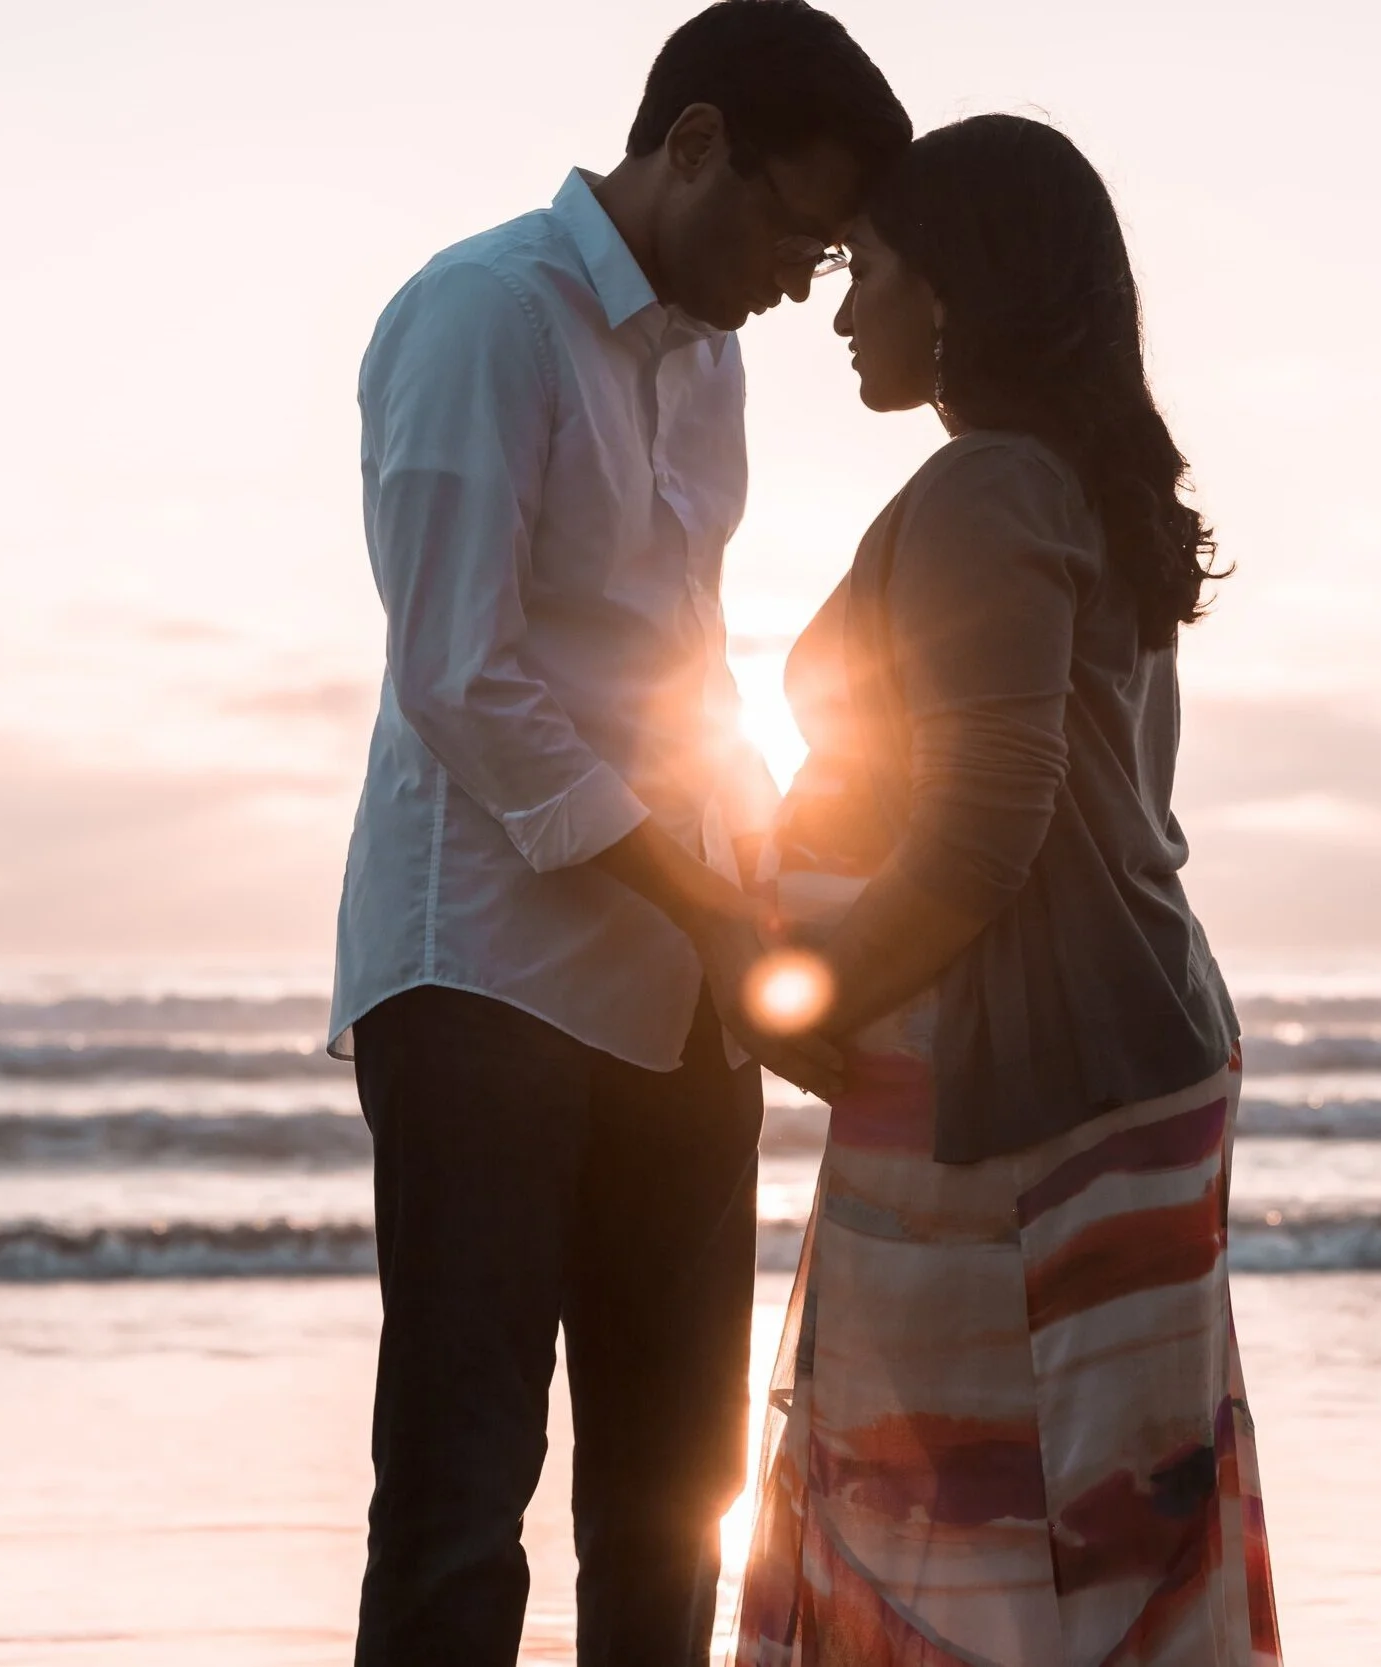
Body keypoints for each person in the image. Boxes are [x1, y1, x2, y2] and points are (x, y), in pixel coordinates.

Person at [328, 6, 910, 1662]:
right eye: (792, 227)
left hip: (676, 988)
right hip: (482, 973)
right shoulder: (482, 314)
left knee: (673, 1497)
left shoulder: (709, 356)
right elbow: (462, 677)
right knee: (460, 1492)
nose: (799, 278)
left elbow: (681, 671)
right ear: (696, 143)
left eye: (827, 249)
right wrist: (703, 908)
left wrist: (763, 897)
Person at [735, 115, 1282, 1665]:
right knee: (1106, 1529)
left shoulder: (987, 490)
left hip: (1013, 1086)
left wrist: (793, 997)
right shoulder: (1079, 488)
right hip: (1110, 1057)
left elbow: (985, 824)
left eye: (868, 271)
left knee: (954, 1519)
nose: (843, 313)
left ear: (953, 290)